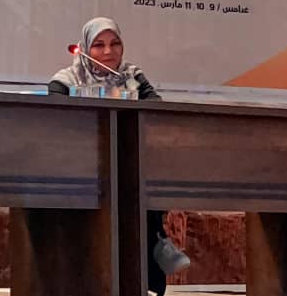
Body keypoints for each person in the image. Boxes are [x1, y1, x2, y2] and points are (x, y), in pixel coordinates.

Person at [48, 16, 190, 296]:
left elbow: (156, 110)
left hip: (125, 164)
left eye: (115, 44)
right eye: (99, 45)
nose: (108, 52)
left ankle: (151, 260)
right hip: (80, 170)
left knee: (137, 182)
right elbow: (56, 122)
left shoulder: (132, 76)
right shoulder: (64, 81)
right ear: (85, 49)